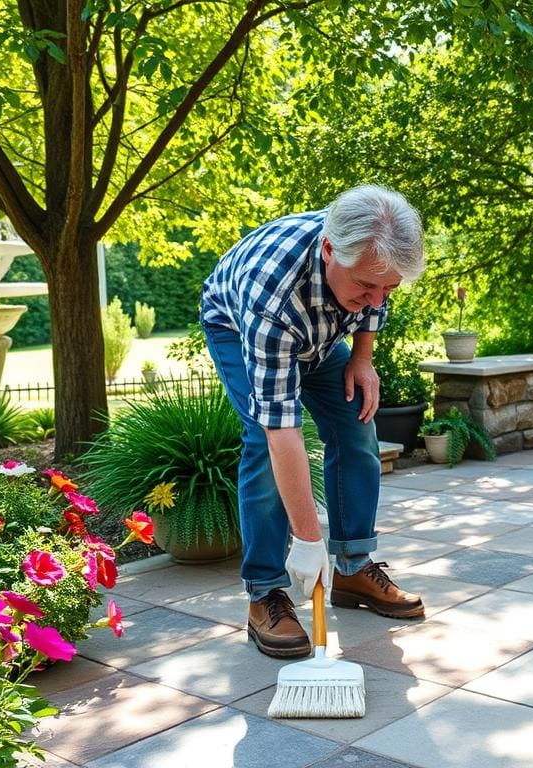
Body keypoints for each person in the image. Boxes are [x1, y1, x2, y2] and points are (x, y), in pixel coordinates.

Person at [200, 184, 427, 659]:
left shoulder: (373, 253)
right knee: (263, 443)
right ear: (329, 251)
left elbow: (374, 298)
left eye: (389, 288)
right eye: (367, 286)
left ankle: (352, 567)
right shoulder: (272, 293)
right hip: (242, 326)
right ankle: (265, 592)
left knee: (356, 421)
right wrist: (307, 540)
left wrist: (362, 359)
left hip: (320, 330)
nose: (377, 299)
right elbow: (282, 430)